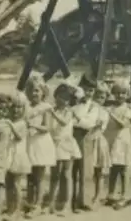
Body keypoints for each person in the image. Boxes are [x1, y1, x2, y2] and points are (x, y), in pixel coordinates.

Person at [71, 78, 110, 212]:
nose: (88, 92)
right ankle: (71, 200)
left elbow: (88, 124)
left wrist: (77, 118)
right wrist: (76, 118)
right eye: (86, 89)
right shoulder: (73, 103)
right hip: (71, 137)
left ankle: (84, 201)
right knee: (71, 170)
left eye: (91, 90)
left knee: (85, 170)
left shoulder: (94, 107)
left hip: (86, 137)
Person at [42, 83, 80, 215]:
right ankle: (51, 203)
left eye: (66, 98)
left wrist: (52, 113)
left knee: (66, 175)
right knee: (54, 175)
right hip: (54, 144)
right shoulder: (51, 111)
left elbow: (64, 122)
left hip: (67, 144)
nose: (63, 100)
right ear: (56, 96)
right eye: (61, 96)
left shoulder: (69, 112)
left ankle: (66, 204)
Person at [22, 77, 55, 218]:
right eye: (31, 90)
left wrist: (34, 125)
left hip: (40, 142)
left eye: (37, 90)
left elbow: (47, 127)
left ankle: (38, 203)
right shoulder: (27, 107)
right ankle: (29, 201)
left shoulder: (46, 108)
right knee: (29, 175)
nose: (34, 93)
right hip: (29, 142)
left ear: (43, 92)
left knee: (39, 176)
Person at [102, 81, 131, 210]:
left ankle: (124, 196)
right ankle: (111, 194)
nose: (120, 96)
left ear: (127, 94)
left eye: (123, 93)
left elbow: (123, 124)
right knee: (113, 168)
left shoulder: (127, 109)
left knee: (123, 169)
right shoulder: (112, 108)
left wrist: (111, 114)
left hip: (123, 140)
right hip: (113, 141)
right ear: (113, 94)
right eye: (118, 93)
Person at [2, 93, 30, 220]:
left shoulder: (23, 123)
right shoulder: (10, 121)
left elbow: (19, 137)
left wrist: (10, 125)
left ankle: (17, 210)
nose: (16, 110)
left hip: (18, 154)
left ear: (24, 109)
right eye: (14, 107)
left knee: (16, 184)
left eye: (19, 107)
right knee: (8, 182)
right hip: (9, 153)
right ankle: (9, 207)